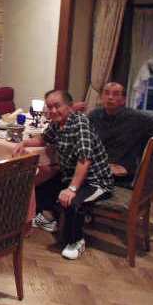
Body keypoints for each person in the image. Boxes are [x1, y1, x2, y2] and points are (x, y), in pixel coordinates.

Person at [14, 90, 113, 260]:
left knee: (71, 202)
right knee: (39, 187)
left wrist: (72, 189)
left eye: (57, 106)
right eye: (49, 107)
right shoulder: (57, 123)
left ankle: (77, 241)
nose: (53, 110)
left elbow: (85, 159)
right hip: (70, 176)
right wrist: (24, 142)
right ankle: (50, 219)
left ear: (69, 106)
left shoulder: (80, 123)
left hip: (95, 180)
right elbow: (43, 139)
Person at [88, 82, 153, 187]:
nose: (110, 97)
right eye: (106, 93)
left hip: (122, 176)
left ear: (123, 100)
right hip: (96, 171)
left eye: (115, 94)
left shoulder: (137, 118)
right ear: (101, 97)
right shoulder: (94, 116)